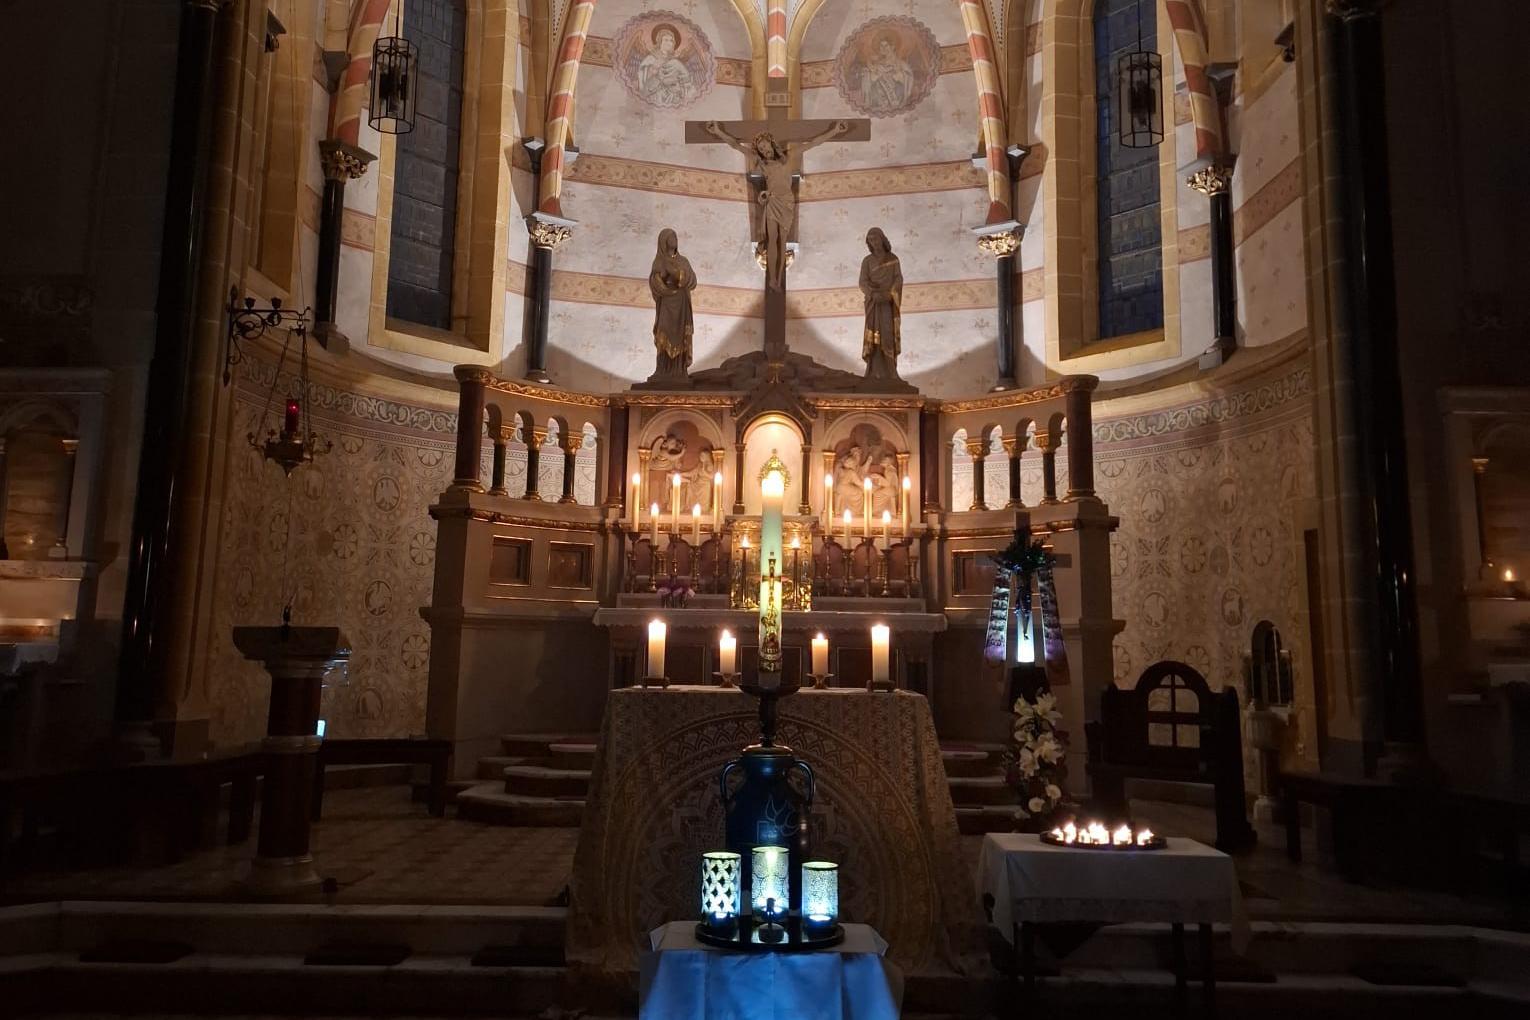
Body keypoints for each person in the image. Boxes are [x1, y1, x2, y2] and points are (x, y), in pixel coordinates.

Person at [704, 119, 849, 290]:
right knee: (772, 239)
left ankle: (779, 278)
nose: (764, 150)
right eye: (761, 149)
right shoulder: (761, 163)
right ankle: (772, 278)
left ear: (772, 143)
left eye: (766, 146)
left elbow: (813, 143)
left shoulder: (789, 156)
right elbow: (736, 146)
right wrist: (718, 131)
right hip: (772, 201)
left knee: (783, 241)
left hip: (786, 202)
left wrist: (835, 131)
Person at [648, 228, 696, 379]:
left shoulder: (683, 261)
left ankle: (679, 370)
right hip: (667, 302)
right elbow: (654, 281)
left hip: (681, 302)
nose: (674, 239)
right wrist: (663, 277)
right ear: (663, 241)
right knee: (664, 331)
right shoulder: (659, 261)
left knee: (681, 333)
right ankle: (662, 369)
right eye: (671, 237)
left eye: (675, 237)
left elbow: (692, 280)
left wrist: (677, 274)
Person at [859, 227, 903, 381]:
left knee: (887, 334)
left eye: (876, 238)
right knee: (873, 335)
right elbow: (862, 282)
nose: (874, 242)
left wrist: (889, 294)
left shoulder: (893, 259)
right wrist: (873, 294)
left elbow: (898, 279)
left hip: (887, 304)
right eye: (870, 240)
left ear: (882, 239)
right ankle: (872, 371)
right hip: (873, 304)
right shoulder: (867, 261)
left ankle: (891, 371)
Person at [638, 25, 695, 108]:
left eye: (671, 40)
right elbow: (644, 81)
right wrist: (656, 72)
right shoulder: (651, 58)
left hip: (673, 96)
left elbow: (685, 80)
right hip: (655, 95)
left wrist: (677, 85)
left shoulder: (676, 62)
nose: (669, 43)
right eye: (666, 40)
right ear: (659, 42)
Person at [858, 36, 914, 114]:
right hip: (878, 102)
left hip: (896, 100)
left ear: (892, 47)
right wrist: (870, 75)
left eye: (886, 45)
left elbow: (908, 79)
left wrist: (897, 74)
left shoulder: (901, 64)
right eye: (881, 46)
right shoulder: (876, 65)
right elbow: (870, 80)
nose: (883, 48)